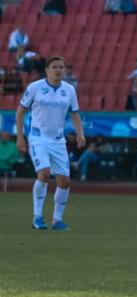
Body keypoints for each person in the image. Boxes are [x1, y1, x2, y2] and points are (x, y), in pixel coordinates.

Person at [15, 56, 84, 230]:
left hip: (58, 141)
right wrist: (20, 137)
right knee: (44, 173)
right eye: (55, 67)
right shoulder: (35, 87)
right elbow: (20, 112)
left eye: (61, 67)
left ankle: (57, 220)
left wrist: (80, 134)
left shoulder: (69, 90)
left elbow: (74, 113)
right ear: (47, 70)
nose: (59, 70)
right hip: (38, 138)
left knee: (64, 182)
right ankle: (37, 217)